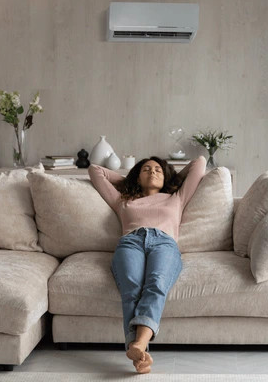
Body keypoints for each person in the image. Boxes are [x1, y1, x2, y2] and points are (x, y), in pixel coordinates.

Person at [88, 155, 207, 374]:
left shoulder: (176, 197)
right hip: (131, 242)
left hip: (164, 243)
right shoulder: (122, 200)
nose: (152, 172)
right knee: (131, 288)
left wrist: (171, 177)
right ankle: (139, 354)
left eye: (157, 170)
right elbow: (95, 170)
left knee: (157, 282)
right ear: (136, 176)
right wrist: (129, 179)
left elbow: (199, 162)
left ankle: (138, 346)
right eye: (146, 169)